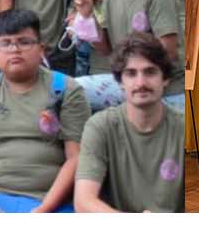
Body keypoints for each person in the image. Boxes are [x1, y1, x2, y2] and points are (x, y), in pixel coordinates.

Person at [0, 9, 89, 213]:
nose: (15, 49)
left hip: (50, 200)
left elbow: (76, 158)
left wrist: (45, 209)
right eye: (6, 43)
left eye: (24, 42)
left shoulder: (66, 90)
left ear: (41, 49)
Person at [74, 34, 181, 213]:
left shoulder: (183, 129)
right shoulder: (100, 126)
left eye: (150, 72)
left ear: (165, 79)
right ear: (120, 82)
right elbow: (83, 202)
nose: (141, 83)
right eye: (131, 73)